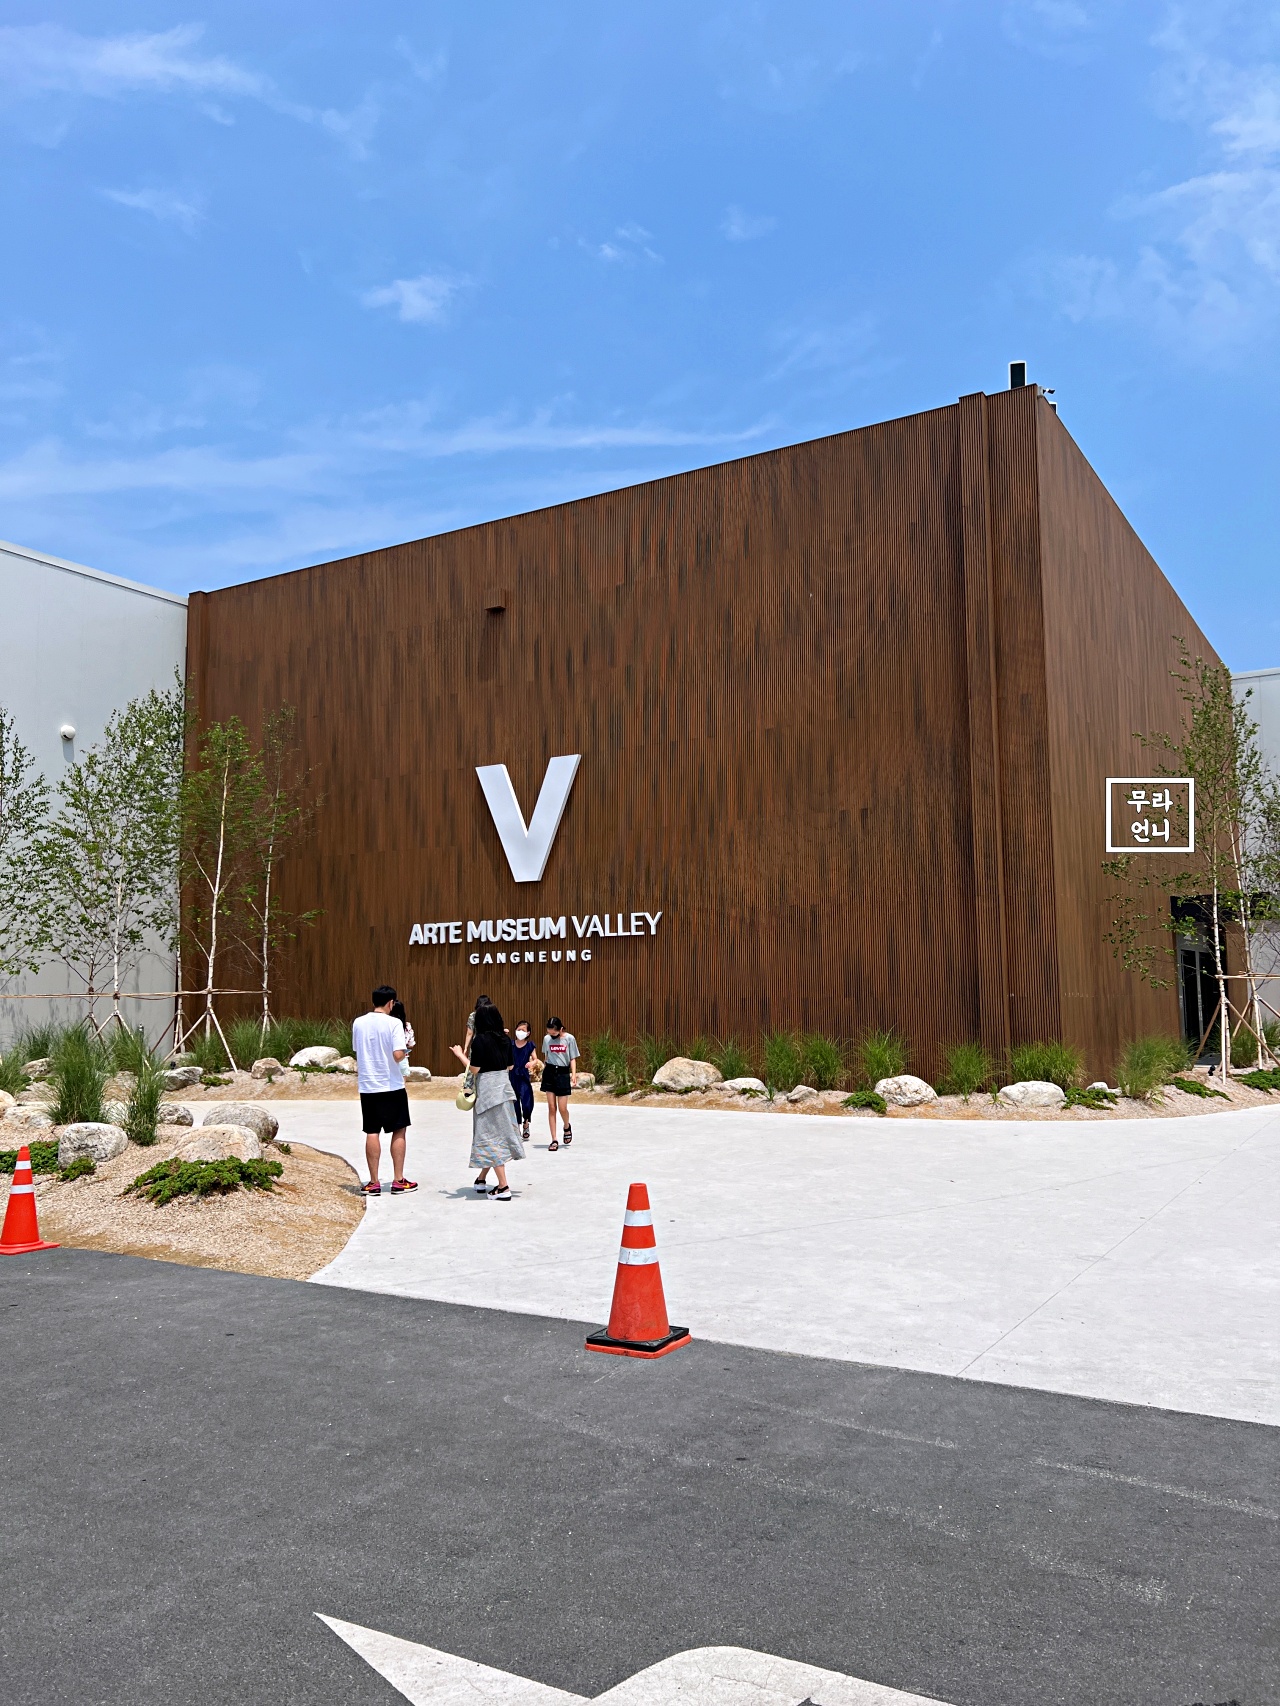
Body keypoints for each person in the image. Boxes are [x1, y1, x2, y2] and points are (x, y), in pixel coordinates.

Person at [353, 986, 417, 1196]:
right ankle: (398, 1180)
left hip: (368, 1085)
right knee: (399, 1130)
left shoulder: (358, 1022)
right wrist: (406, 1050)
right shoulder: (394, 1023)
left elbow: (357, 1050)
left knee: (372, 1131)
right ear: (391, 1002)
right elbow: (398, 1055)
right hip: (391, 1085)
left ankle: (373, 1182)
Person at [465, 1003, 524, 1200]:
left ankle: (503, 1186)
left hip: (488, 1093)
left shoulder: (479, 1040)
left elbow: (474, 1069)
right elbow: (510, 1066)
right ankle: (481, 1179)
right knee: (498, 1134)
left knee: (490, 1136)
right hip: (504, 1090)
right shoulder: (505, 1039)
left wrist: (459, 1055)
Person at [541, 1015, 579, 1150]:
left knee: (562, 1108)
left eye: (554, 1033)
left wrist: (573, 1074)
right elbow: (546, 1056)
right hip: (550, 1072)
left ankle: (566, 1126)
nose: (551, 1035)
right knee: (552, 1107)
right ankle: (554, 1139)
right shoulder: (546, 1039)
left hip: (563, 1073)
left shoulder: (569, 1039)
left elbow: (572, 1058)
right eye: (549, 1033)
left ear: (561, 1029)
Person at [510, 1020, 539, 1143]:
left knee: (527, 1101)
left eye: (523, 1030)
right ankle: (517, 1127)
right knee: (514, 1102)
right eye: (518, 1029)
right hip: (511, 1075)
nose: (520, 1032)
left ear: (528, 1033)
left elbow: (535, 1059)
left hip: (523, 1075)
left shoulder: (530, 1045)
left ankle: (526, 1121)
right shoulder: (510, 1044)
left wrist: (532, 1063)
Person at [390, 999, 416, 1082]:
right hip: (402, 1057)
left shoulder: (386, 1025)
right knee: (401, 1085)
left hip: (387, 1058)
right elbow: (411, 1044)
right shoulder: (407, 1026)